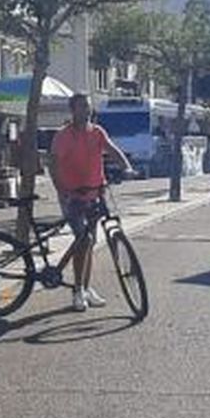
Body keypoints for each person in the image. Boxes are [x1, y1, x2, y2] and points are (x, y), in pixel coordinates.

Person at [48, 93, 134, 312]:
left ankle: (86, 288)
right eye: (80, 108)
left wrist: (126, 167)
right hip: (72, 197)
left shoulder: (97, 132)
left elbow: (112, 150)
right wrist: (62, 191)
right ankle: (77, 291)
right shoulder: (63, 136)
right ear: (72, 110)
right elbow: (54, 164)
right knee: (83, 240)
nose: (85, 111)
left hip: (95, 194)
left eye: (87, 107)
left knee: (91, 242)